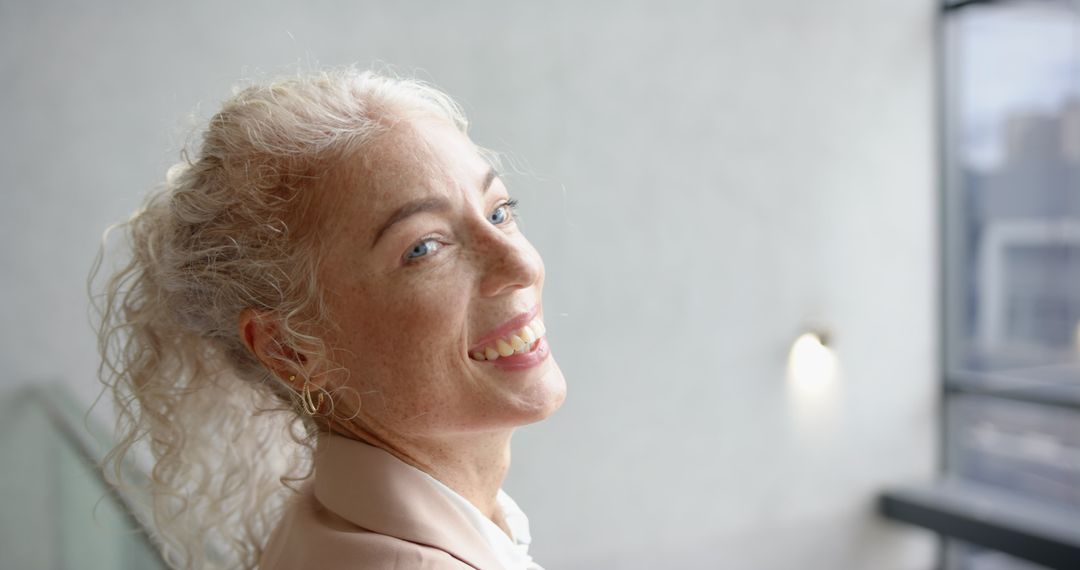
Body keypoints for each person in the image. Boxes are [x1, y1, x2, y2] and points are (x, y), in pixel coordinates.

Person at [93, 68, 567, 570]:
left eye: (499, 212)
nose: (521, 265)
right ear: (290, 349)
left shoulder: (329, 527)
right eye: (424, 247)